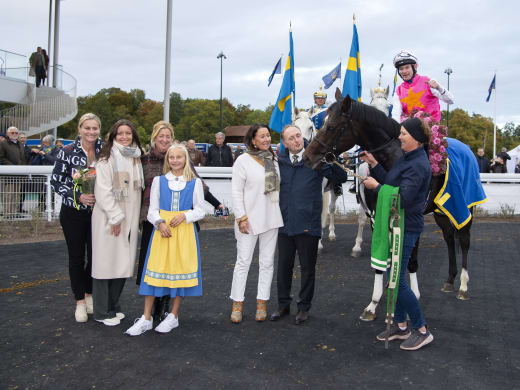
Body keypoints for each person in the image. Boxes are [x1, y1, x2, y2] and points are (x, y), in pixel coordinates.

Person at [136, 121, 226, 323]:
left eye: (168, 136)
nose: (165, 139)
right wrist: (155, 220)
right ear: (155, 137)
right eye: (161, 136)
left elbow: (200, 193)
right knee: (154, 266)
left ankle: (168, 312)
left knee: (176, 266)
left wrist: (218, 205)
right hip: (153, 220)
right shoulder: (143, 160)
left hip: (181, 225)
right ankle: (149, 314)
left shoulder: (186, 168)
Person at [361, 117, 433, 351]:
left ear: (416, 138)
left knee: (397, 281)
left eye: (403, 133)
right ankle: (401, 326)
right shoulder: (409, 158)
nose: (399, 137)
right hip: (398, 225)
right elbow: (393, 181)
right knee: (395, 278)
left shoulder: (418, 164)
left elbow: (403, 197)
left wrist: (377, 188)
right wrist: (374, 165)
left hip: (407, 227)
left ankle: (421, 330)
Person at [125, 144, 206, 336]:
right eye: (172, 157)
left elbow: (201, 209)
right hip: (163, 232)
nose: (175, 160)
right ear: (167, 160)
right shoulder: (159, 181)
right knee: (155, 271)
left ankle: (173, 316)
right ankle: (146, 318)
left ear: (186, 159)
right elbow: (152, 209)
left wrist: (186, 216)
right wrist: (159, 222)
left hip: (184, 233)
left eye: (179, 157)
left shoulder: (194, 182)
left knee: (180, 272)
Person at [271, 125, 348, 324]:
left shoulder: (316, 157)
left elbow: (342, 177)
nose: (296, 140)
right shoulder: (279, 162)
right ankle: (283, 305)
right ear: (285, 143)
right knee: (283, 268)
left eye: (298, 135)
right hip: (285, 224)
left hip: (308, 224)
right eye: (291, 138)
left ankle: (303, 307)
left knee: (307, 268)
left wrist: (329, 162)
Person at [90, 119, 144, 326]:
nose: (124, 137)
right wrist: (115, 216)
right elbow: (102, 191)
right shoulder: (106, 158)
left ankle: (113, 306)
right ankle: (102, 312)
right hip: (109, 218)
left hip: (128, 219)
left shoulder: (135, 157)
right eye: (120, 133)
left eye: (128, 133)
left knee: (123, 264)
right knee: (105, 263)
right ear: (113, 136)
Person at [51, 113, 102, 323]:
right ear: (80, 129)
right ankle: (79, 301)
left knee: (95, 256)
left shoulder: (104, 151)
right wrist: (78, 195)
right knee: (76, 257)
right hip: (73, 212)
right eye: (87, 128)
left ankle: (90, 295)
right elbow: (56, 181)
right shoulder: (68, 151)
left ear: (99, 129)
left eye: (95, 128)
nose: (91, 132)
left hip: (98, 213)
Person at [229, 124, 283, 323]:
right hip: (248, 220)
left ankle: (262, 303)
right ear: (253, 140)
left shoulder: (273, 159)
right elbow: (236, 192)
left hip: (271, 217)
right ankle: (237, 304)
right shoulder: (242, 161)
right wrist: (241, 218)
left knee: (267, 263)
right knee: (243, 262)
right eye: (262, 136)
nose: (267, 139)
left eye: (268, 135)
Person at [392, 50, 454, 123]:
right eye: (401, 69)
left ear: (415, 66)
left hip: (431, 131)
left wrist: (439, 88)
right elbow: (396, 115)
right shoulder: (398, 91)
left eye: (407, 67)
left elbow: (450, 100)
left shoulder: (428, 82)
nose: (404, 71)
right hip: (410, 131)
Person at [0, 127, 25, 218]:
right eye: (12, 132)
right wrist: (12, 166)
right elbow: (1, 158)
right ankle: (8, 213)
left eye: (16, 132)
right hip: (9, 174)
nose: (14, 134)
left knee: (16, 194)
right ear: (8, 134)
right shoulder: (3, 144)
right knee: (8, 194)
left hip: (19, 173)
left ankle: (14, 213)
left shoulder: (20, 144)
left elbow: (23, 158)